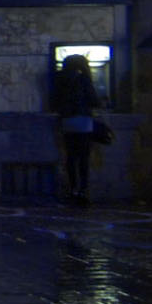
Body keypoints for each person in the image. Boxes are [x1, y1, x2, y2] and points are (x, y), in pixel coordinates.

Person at [51, 53, 101, 207]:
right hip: (84, 121)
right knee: (84, 157)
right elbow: (94, 100)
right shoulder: (83, 79)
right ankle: (83, 190)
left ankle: (72, 189)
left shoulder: (60, 79)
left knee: (71, 157)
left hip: (68, 121)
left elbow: (54, 100)